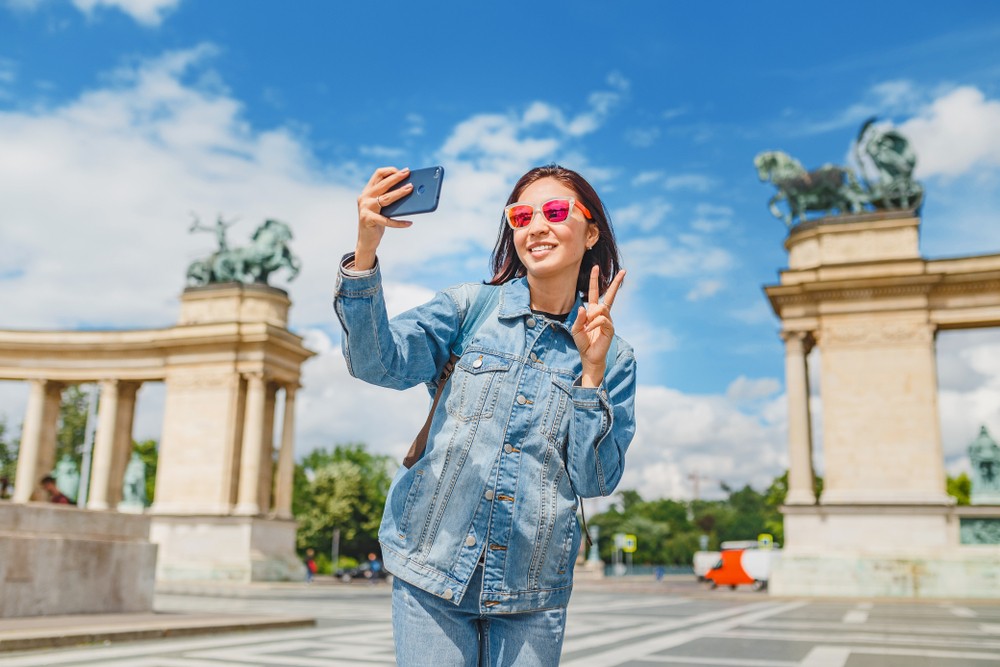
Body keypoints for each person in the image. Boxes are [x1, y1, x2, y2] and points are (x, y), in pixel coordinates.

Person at [334, 163, 636, 666]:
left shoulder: (616, 357)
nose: (536, 225)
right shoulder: (468, 308)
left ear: (591, 232)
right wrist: (365, 252)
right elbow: (375, 363)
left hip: (531, 593)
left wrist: (591, 374)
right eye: (521, 216)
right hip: (431, 570)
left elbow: (594, 479)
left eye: (556, 211)